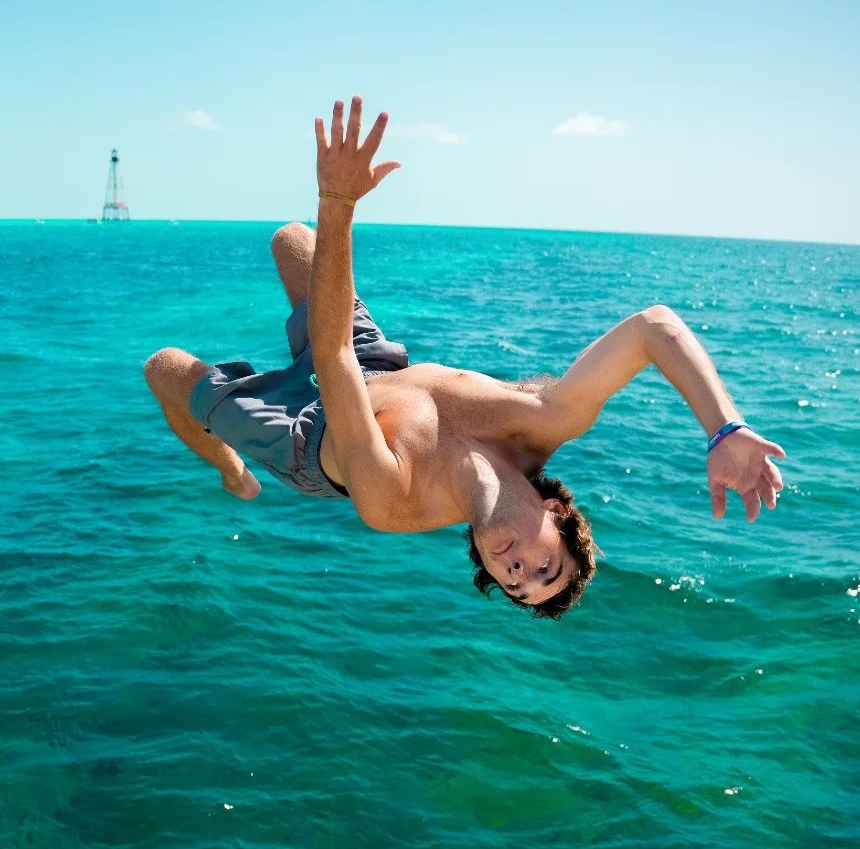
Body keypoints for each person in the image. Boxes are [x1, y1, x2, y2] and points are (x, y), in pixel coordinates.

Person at [145, 96, 786, 619]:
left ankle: (231, 473)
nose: (518, 571)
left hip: (307, 437)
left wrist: (338, 201)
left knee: (165, 369)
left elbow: (332, 356)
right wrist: (723, 427)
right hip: (380, 377)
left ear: (483, 562)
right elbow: (653, 328)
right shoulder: (541, 418)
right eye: (544, 568)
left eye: (515, 586)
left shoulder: (393, 504)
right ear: (557, 516)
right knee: (291, 242)